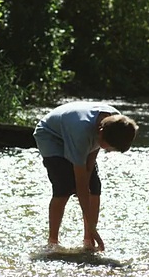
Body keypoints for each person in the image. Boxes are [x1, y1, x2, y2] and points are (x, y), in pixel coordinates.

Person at [33, 101, 139, 251]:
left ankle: (89, 240)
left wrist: (90, 170)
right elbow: (81, 184)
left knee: (95, 187)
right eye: (107, 145)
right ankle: (52, 242)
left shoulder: (117, 122)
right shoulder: (81, 132)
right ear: (100, 132)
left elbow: (92, 156)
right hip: (50, 135)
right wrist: (90, 223)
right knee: (64, 188)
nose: (108, 149)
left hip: (78, 131)